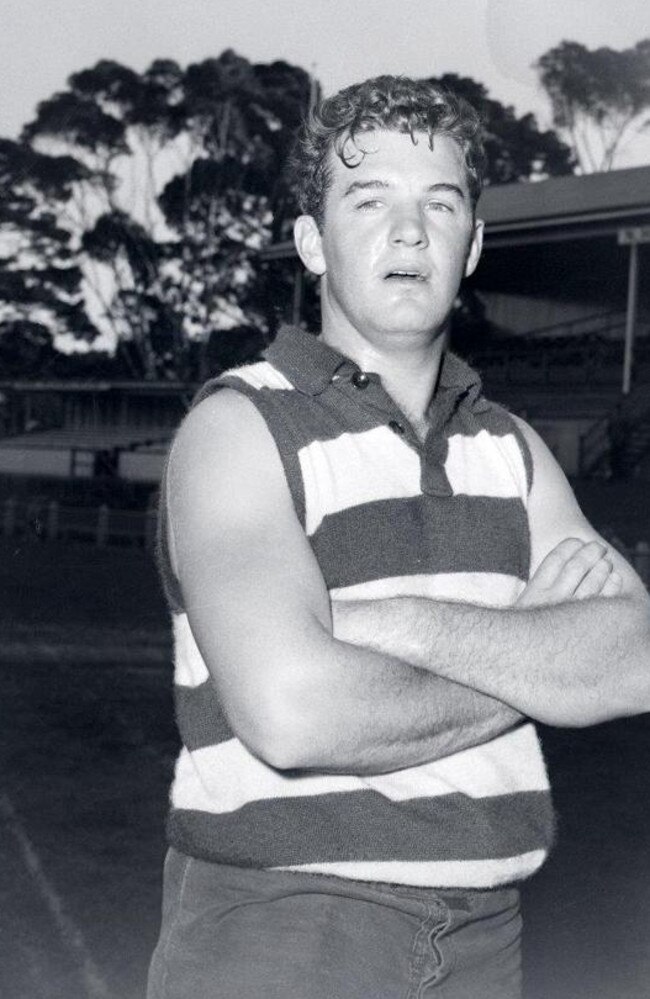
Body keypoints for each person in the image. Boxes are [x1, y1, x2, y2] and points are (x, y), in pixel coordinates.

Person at [147, 76, 650, 999]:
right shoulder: (240, 427)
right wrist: (533, 654)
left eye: (441, 203)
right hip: (285, 931)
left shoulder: (514, 449)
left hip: (489, 941)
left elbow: (633, 658)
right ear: (311, 241)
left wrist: (405, 621)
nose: (409, 232)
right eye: (369, 199)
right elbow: (294, 713)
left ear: (473, 247)